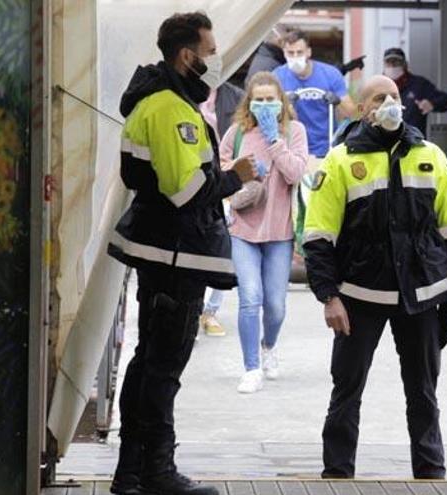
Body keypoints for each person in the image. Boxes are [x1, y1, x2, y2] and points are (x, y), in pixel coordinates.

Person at [106, 11, 255, 495]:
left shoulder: (165, 102)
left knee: (149, 363)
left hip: (166, 252)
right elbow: (185, 191)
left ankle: (132, 474)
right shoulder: (170, 108)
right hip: (175, 256)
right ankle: (156, 473)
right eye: (210, 53)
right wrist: (238, 177)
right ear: (187, 56)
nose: (215, 63)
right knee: (163, 368)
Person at [303, 75, 447, 480]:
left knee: (424, 392)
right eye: (380, 97)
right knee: (346, 391)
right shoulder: (341, 160)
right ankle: (337, 473)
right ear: (364, 109)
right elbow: (317, 236)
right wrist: (328, 296)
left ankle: (431, 473)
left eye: (395, 96)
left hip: (422, 293)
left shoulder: (430, 155)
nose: (390, 103)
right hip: (358, 296)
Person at [220, 71, 308, 393]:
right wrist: (243, 170)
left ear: (281, 101)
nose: (265, 105)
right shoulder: (237, 133)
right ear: (249, 102)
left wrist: (274, 141)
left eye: (271, 99)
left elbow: (296, 171)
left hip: (279, 232)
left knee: (275, 305)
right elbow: (221, 168)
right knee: (249, 298)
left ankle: (268, 346)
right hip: (243, 228)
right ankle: (251, 367)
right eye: (259, 100)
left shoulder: (294, 131)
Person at [199, 82, 245, 338]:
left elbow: (231, 148)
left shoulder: (234, 96)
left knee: (221, 244)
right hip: (204, 178)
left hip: (224, 180)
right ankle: (199, 310)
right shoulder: (188, 97)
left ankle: (210, 311)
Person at [273, 29, 356, 158]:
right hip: (293, 147)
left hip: (326, 147)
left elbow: (351, 112)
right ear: (284, 53)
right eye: (290, 53)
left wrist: (337, 101)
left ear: (308, 52)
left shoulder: (330, 74)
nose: (295, 57)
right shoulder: (277, 77)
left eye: (299, 52)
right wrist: (287, 106)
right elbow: (273, 117)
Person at [382, 47, 447, 137]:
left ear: (405, 64)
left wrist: (432, 104)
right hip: (384, 143)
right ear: (384, 65)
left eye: (396, 62)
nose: (392, 66)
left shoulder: (419, 85)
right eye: (389, 63)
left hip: (413, 143)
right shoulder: (377, 87)